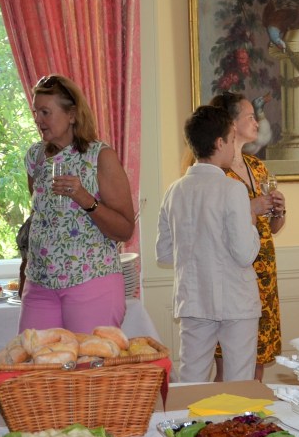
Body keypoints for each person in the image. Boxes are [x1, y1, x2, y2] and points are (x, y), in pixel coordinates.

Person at [20, 74, 136, 333]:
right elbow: (39, 218)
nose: (38, 119)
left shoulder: (100, 157)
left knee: (90, 359)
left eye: (45, 112)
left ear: (71, 115)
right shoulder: (35, 156)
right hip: (39, 285)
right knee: (33, 358)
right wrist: (25, 271)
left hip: (91, 280)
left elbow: (125, 229)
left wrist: (85, 199)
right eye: (36, 112)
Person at [158, 105, 261, 382]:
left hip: (193, 298)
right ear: (219, 143)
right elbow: (245, 254)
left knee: (192, 380)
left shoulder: (173, 191)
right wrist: (252, 222)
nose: (233, 148)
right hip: (236, 300)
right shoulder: (232, 189)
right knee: (239, 382)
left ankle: (190, 414)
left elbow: (164, 253)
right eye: (231, 140)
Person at [208, 92, 286, 379]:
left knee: (258, 358)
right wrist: (252, 207)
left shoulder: (257, 167)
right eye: (250, 116)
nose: (257, 122)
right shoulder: (216, 172)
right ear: (231, 123)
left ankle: (253, 408)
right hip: (234, 275)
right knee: (227, 363)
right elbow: (213, 225)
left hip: (264, 276)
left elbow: (272, 228)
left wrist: (279, 210)